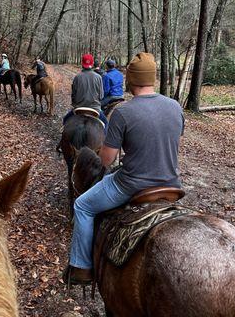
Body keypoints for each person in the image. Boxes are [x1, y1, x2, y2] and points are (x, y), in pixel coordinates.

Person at [64, 52, 184, 285]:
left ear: (130, 79)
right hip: (171, 183)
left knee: (83, 206)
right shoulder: (175, 106)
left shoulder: (123, 111)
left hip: (132, 185)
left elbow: (106, 161)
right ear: (152, 78)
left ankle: (80, 267)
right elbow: (175, 146)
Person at [63, 54, 108, 128]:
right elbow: (101, 96)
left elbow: (73, 95)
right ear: (92, 63)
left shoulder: (77, 77)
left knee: (65, 120)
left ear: (82, 64)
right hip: (95, 109)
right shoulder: (98, 77)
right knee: (106, 123)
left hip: (79, 108)